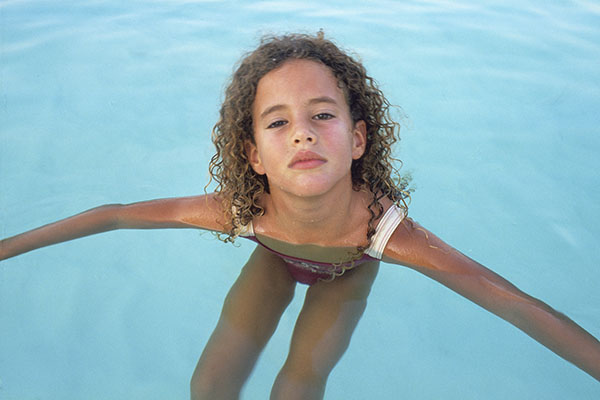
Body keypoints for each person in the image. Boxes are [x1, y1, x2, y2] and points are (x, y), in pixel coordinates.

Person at [1, 32, 599, 400]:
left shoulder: (389, 235)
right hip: (274, 253)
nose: (303, 135)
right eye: (278, 122)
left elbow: (515, 304)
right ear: (253, 155)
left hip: (350, 266)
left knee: (295, 388)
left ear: (359, 139)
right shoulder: (241, 213)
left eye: (323, 116)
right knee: (207, 386)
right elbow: (113, 215)